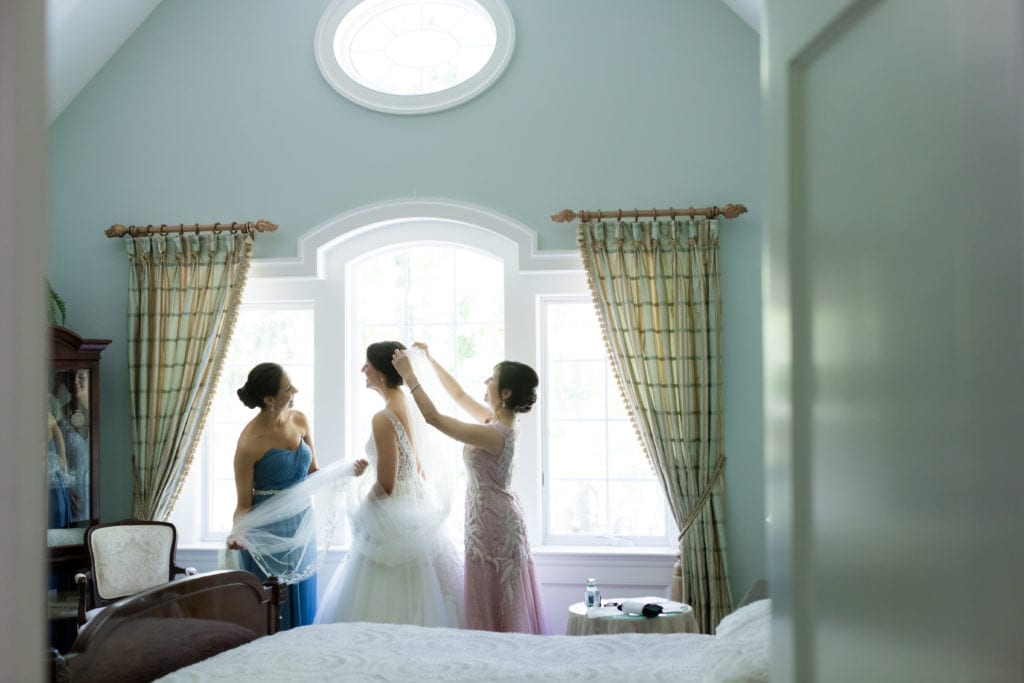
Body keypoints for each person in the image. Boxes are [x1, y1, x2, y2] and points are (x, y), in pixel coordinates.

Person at [392, 343, 547, 634]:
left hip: (494, 524)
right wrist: (431, 360)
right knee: (488, 594)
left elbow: (435, 418)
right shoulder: (497, 421)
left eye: (492, 378)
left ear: (506, 392)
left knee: (496, 597)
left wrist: (410, 376)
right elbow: (459, 395)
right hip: (489, 517)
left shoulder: (494, 433)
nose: (486, 382)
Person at [314, 341, 464, 628]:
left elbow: (386, 484)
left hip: (393, 512)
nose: (362, 369)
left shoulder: (383, 417)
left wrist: (362, 514)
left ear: (381, 373)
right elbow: (417, 467)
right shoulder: (412, 405)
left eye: (367, 364)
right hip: (417, 504)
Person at [228, 362, 367, 630]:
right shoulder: (249, 443)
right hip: (267, 534)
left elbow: (312, 472)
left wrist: (346, 471)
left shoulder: (299, 420)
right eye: (288, 388)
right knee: (273, 610)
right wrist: (237, 532)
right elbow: (243, 505)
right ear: (269, 399)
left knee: (301, 597)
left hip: (301, 525)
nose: (296, 391)